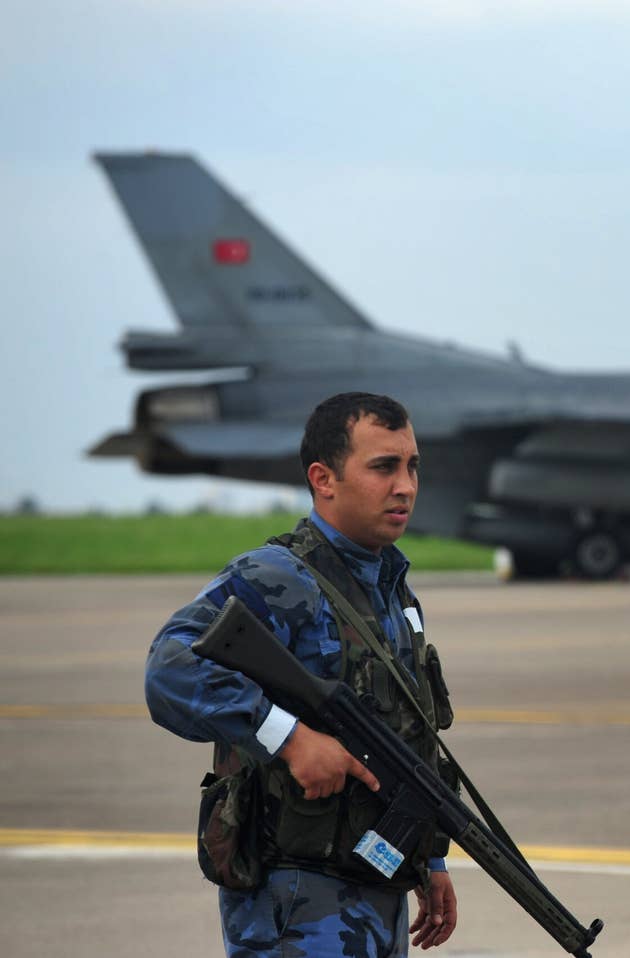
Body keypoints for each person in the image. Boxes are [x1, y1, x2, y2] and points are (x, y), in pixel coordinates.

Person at [145, 392, 458, 956]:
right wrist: (288, 738)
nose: (406, 486)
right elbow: (170, 667)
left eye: (412, 466)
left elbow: (409, 738)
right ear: (324, 479)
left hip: (376, 894)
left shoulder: (392, 591)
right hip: (295, 901)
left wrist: (429, 858)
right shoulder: (279, 578)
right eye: (383, 466)